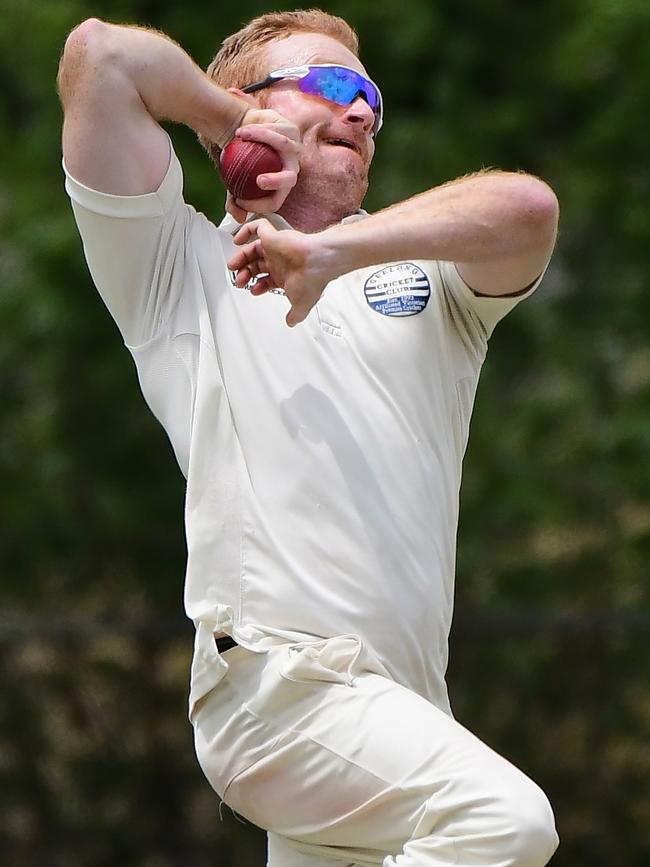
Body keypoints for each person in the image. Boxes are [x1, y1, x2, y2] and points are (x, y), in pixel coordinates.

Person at [58, 8, 560, 867]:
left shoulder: (428, 280)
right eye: (329, 85)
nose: (362, 112)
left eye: (368, 95)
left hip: (399, 715)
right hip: (280, 690)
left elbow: (525, 207)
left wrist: (339, 253)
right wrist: (226, 125)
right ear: (250, 105)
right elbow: (99, 56)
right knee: (504, 823)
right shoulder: (178, 269)